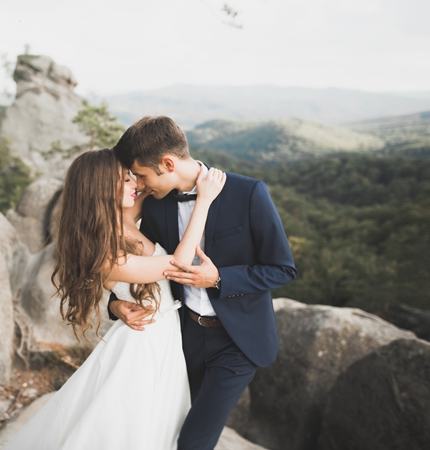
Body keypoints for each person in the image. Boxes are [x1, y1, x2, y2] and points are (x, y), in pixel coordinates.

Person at [2, 148, 226, 450]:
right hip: (142, 343)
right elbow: (176, 265)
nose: (135, 184)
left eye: (133, 177)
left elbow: (156, 180)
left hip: (161, 337)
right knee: (126, 430)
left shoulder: (125, 216)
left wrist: (115, 303)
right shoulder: (103, 248)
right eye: (125, 180)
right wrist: (204, 201)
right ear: (101, 190)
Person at [109, 116, 297, 450]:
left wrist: (220, 278)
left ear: (167, 164)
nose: (138, 183)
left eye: (141, 174)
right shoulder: (154, 204)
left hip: (237, 341)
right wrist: (114, 304)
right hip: (181, 337)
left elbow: (282, 269)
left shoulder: (248, 193)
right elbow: (142, 266)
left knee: (194, 440)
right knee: (168, 422)